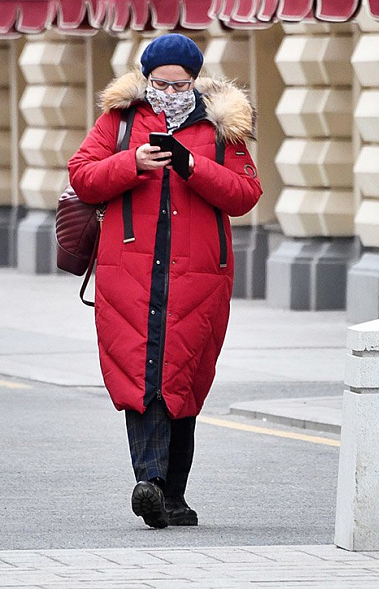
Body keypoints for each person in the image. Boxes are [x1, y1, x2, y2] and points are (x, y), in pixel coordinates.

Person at [67, 33, 261, 529]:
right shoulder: (121, 120)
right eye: (160, 84)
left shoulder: (222, 127)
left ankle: (172, 495)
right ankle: (148, 484)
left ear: (194, 82)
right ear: (145, 80)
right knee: (142, 376)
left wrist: (193, 166)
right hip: (128, 270)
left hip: (199, 277)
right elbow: (83, 176)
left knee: (183, 382)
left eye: (179, 84)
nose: (169, 93)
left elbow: (245, 194)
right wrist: (131, 164)